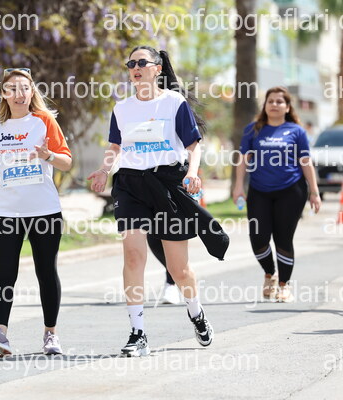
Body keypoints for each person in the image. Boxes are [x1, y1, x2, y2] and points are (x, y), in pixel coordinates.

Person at [88, 46, 229, 357]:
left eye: (142, 62)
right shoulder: (122, 108)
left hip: (167, 184)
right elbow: (115, 146)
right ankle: (137, 333)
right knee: (133, 257)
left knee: (179, 270)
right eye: (131, 63)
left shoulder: (174, 103)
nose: (135, 68)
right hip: (130, 185)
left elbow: (193, 145)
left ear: (158, 68)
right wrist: (103, 169)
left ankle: (196, 313)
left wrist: (192, 173)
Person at [0, 68, 72, 357]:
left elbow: (66, 162)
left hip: (44, 210)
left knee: (46, 271)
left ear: (32, 92)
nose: (19, 93)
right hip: (7, 210)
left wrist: (47, 155)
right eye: (12, 88)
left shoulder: (44, 121)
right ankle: (0, 334)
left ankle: (51, 334)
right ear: (4, 94)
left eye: (24, 88)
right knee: (4, 272)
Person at [233, 86, 320, 303]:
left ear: (287, 107)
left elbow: (305, 162)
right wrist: (238, 186)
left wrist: (314, 192)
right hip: (259, 191)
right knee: (258, 238)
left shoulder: (296, 131)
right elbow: (243, 160)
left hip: (291, 191)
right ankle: (269, 274)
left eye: (280, 101)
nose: (274, 104)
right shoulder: (253, 130)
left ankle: (284, 286)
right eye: (270, 101)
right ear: (265, 105)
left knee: (283, 238)